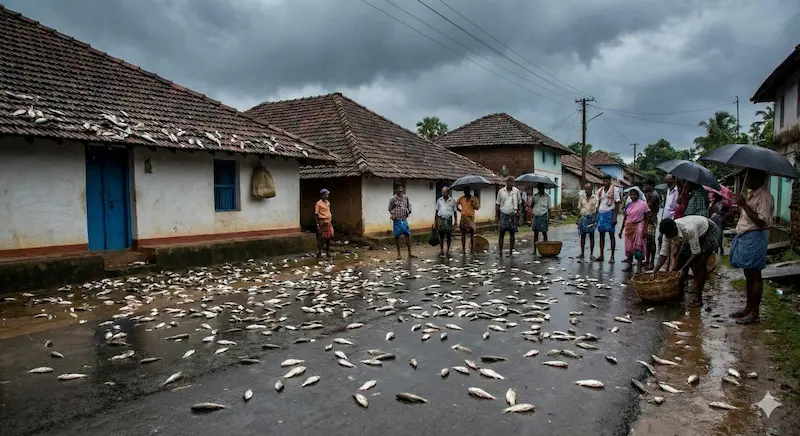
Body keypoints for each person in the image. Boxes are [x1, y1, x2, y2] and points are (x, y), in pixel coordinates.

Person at [729, 170, 773, 324]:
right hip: (746, 237)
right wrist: (740, 207)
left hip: (754, 238)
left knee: (754, 275)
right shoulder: (752, 194)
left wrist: (745, 206)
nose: (745, 180)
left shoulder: (765, 197)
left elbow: (761, 222)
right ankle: (749, 307)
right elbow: (748, 214)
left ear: (758, 177)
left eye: (749, 176)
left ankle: (754, 313)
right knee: (748, 273)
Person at [653, 216, 720, 307]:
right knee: (679, 261)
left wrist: (684, 268)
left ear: (674, 229)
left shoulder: (689, 229)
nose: (668, 237)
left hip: (707, 230)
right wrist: (655, 270)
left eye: (669, 234)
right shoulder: (667, 233)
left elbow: (695, 252)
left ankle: (698, 299)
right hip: (691, 235)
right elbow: (663, 253)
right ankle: (679, 294)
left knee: (699, 265)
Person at [618, 189, 650, 273]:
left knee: (638, 247)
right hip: (629, 227)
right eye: (631, 195)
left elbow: (647, 217)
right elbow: (625, 218)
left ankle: (639, 267)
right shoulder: (628, 205)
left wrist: (645, 229)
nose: (633, 196)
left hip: (639, 225)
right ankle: (629, 265)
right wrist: (621, 230)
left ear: (638, 195)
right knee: (628, 248)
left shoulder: (643, 204)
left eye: (634, 194)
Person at [595, 175, 621, 263]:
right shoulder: (600, 191)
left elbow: (617, 203)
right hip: (601, 214)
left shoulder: (615, 190)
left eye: (606, 181)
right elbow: (598, 202)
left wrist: (615, 217)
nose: (605, 183)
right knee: (601, 236)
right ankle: (601, 255)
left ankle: (612, 256)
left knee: (611, 236)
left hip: (610, 213)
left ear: (610, 181)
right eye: (604, 181)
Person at [496, 176, 521, 257]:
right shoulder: (501, 191)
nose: (511, 184)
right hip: (503, 214)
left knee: (512, 234)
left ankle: (510, 252)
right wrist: (497, 216)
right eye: (509, 182)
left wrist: (519, 213)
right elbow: (498, 204)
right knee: (501, 234)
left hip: (513, 214)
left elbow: (519, 203)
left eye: (512, 182)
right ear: (506, 182)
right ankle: (500, 252)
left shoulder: (516, 191)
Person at [389, 184, 413, 260]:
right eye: (398, 188)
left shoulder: (406, 197)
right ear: (395, 189)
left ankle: (410, 253)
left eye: (401, 188)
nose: (400, 190)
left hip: (404, 219)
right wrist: (393, 215)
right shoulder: (393, 199)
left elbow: (409, 206)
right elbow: (390, 208)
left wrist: (408, 212)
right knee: (396, 237)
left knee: (407, 235)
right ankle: (399, 254)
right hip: (397, 220)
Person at [577, 183, 598, 258]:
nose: (587, 190)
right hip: (583, 218)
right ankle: (582, 253)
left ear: (591, 189)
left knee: (591, 236)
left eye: (588, 189)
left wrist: (595, 219)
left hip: (591, 218)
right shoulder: (582, 197)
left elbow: (597, 209)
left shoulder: (595, 198)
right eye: (585, 189)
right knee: (583, 236)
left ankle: (591, 254)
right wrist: (578, 219)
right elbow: (579, 208)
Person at [434, 186, 457, 256]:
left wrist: (456, 221)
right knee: (441, 235)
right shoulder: (439, 200)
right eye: (442, 192)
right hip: (441, 219)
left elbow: (455, 211)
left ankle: (447, 250)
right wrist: (435, 222)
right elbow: (436, 212)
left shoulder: (452, 201)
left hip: (449, 219)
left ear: (448, 192)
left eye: (444, 192)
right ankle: (441, 250)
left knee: (449, 235)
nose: (443, 194)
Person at [643, 180, 661, 269]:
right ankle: (647, 260)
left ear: (651, 185)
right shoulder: (649, 194)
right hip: (647, 219)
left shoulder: (654, 195)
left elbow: (647, 206)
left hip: (651, 219)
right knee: (648, 242)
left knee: (651, 241)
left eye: (646, 185)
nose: (645, 187)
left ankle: (651, 262)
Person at [457, 188, 480, 253]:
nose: (466, 192)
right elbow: (456, 205)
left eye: (467, 191)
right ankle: (463, 249)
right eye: (465, 191)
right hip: (463, 218)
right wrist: (460, 210)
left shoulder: (474, 198)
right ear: (464, 192)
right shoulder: (461, 198)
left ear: (470, 191)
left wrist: (473, 204)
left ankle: (472, 249)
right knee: (463, 233)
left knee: (472, 233)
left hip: (471, 218)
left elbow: (477, 207)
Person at [531, 183, 551, 255]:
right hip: (536, 215)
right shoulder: (534, 196)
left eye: (542, 188)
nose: (540, 189)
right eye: (539, 188)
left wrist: (549, 218)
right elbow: (532, 206)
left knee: (544, 233)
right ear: (538, 188)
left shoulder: (547, 197)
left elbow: (549, 209)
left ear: (544, 188)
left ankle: (545, 249)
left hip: (543, 215)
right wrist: (532, 203)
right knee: (535, 233)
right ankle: (534, 250)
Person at [315, 189, 333, 259]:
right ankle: (319, 252)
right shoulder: (318, 203)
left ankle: (327, 251)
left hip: (328, 221)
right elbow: (316, 214)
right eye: (325, 195)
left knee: (329, 236)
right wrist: (317, 225)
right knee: (320, 237)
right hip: (321, 221)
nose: (327, 196)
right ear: (322, 195)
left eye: (327, 195)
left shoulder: (328, 203)